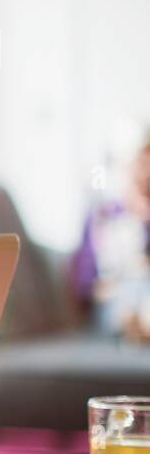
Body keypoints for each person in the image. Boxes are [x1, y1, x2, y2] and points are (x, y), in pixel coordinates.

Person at [71, 129, 150, 342]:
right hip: (114, 299)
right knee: (128, 298)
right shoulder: (102, 215)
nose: (146, 173)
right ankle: (136, 324)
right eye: (141, 163)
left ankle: (142, 323)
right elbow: (85, 284)